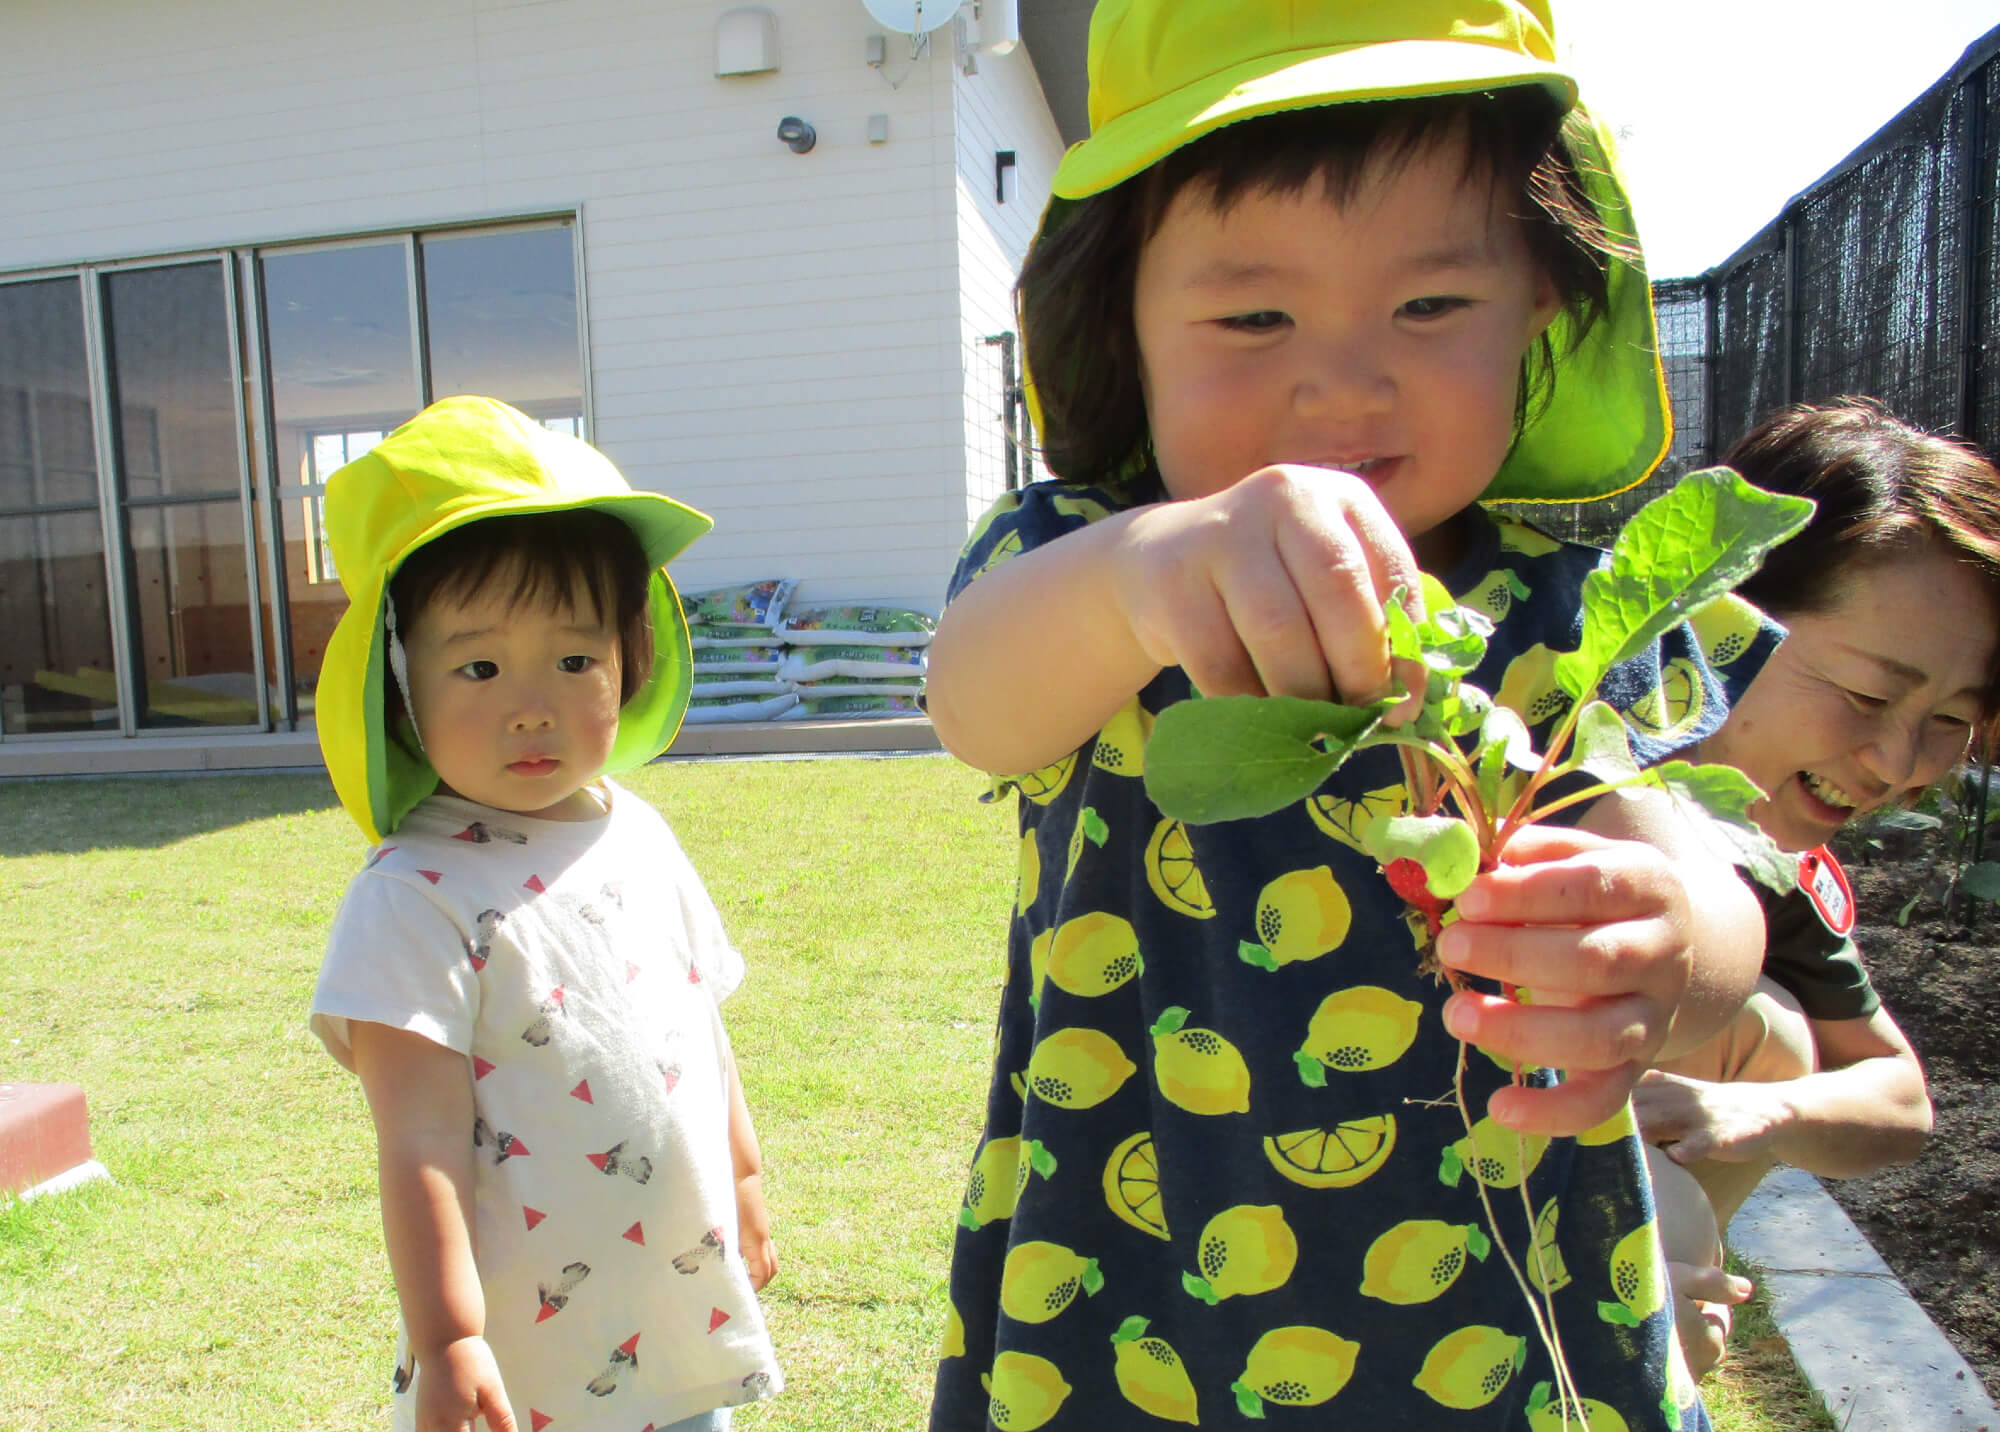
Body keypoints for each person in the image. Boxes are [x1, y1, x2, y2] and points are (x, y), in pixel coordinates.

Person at [922, 2, 1780, 1428]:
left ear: (1547, 311)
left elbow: (1698, 859)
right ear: (1119, 327)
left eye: (1432, 306)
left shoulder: (1560, 615)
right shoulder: (1087, 561)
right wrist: (1147, 575)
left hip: (1502, 1302)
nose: (1343, 380)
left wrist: (1681, 947)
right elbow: (972, 701)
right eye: (1253, 316)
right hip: (1136, 1279)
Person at [307, 396, 782, 1432]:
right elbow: (418, 1142)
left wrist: (742, 1176)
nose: (532, 704)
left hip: (671, 1300)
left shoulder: (639, 833)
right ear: (398, 684)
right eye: (478, 665)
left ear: (630, 655)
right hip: (523, 1355)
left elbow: (698, 1029)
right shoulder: (411, 897)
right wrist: (448, 1337)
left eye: (574, 660)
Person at [1638, 397, 2000, 1377]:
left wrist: (1747, 1115)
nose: (1894, 762)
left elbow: (1897, 1104)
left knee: (1778, 1029)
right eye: (1869, 695)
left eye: (1947, 720)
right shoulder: (1540, 749)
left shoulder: (1767, 856)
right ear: (1721, 611)